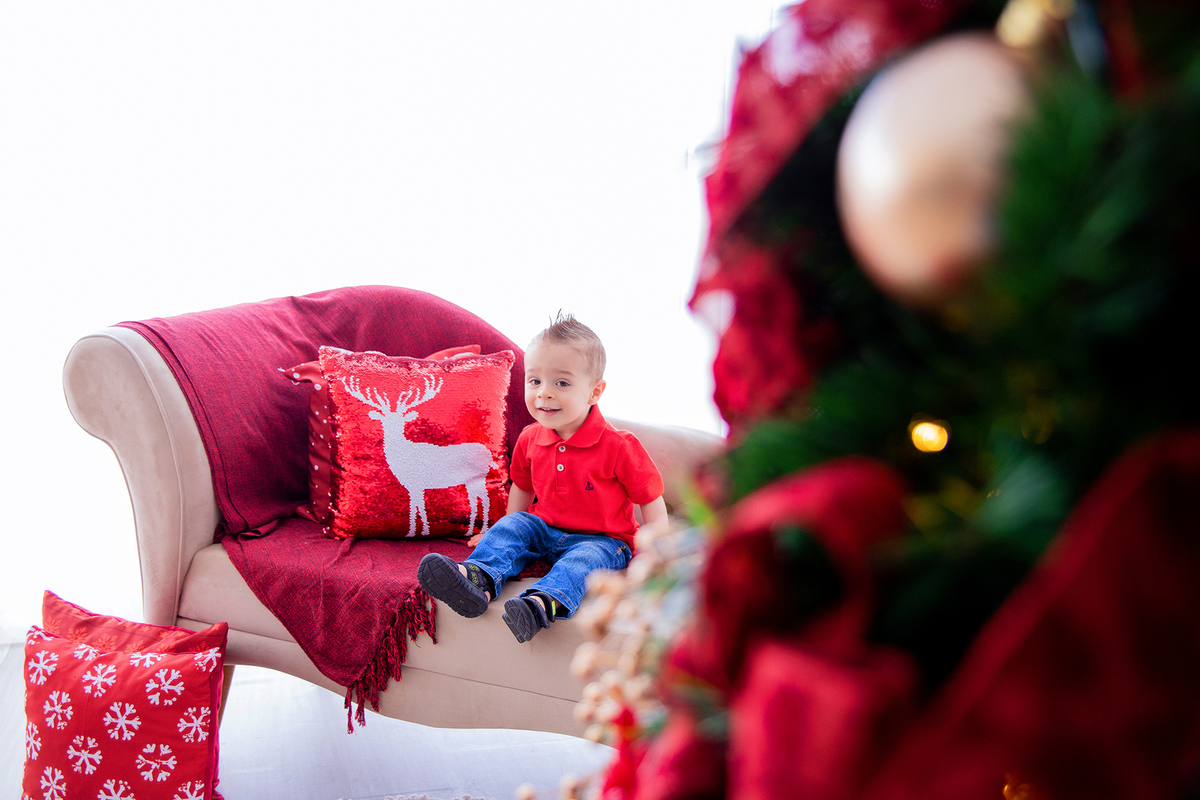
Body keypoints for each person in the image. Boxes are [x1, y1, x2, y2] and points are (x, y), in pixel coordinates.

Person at [418, 313, 667, 642]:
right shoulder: (530, 438)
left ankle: (540, 604)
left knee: (584, 561)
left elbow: (650, 499)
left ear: (595, 391)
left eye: (561, 383)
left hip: (604, 540)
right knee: (513, 527)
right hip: (545, 528)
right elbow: (522, 487)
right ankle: (475, 578)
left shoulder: (619, 446)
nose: (544, 393)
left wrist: (658, 556)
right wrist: (500, 531)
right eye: (534, 381)